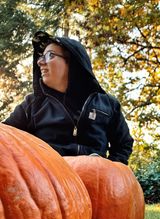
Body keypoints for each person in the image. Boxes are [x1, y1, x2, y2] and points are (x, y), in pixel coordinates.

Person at [3, 31, 133, 164]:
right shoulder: (31, 104)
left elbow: (123, 145)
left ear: (73, 62)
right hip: (48, 177)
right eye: (41, 57)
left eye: (50, 55)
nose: (40, 62)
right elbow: (5, 137)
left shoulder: (108, 104)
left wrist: (110, 169)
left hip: (94, 176)